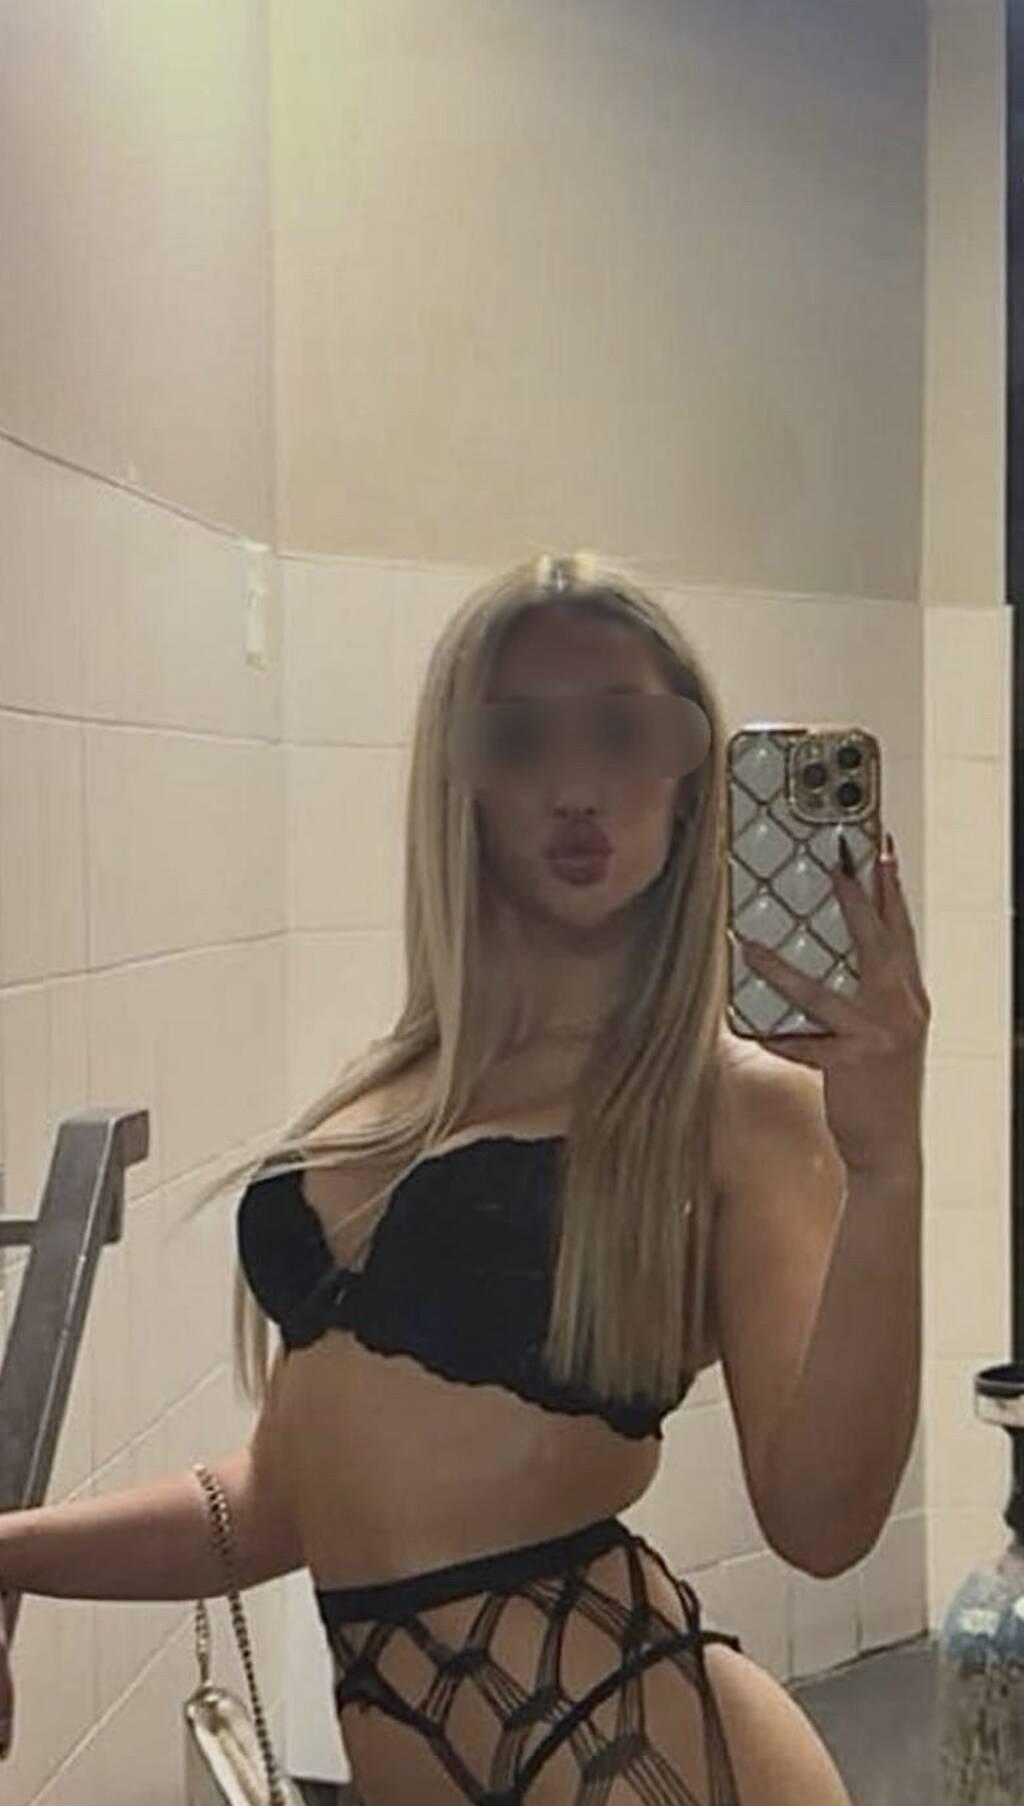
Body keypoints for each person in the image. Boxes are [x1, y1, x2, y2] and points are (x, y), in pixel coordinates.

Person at [0, 551, 929, 1803]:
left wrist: (887, 1169)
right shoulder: (392, 1092)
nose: (575, 786)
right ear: (464, 779)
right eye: (520, 738)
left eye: (623, 731)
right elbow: (279, 1505)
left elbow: (823, 1526)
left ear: (692, 779)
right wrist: (12, 1551)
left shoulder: (732, 1110)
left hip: (654, 1762)